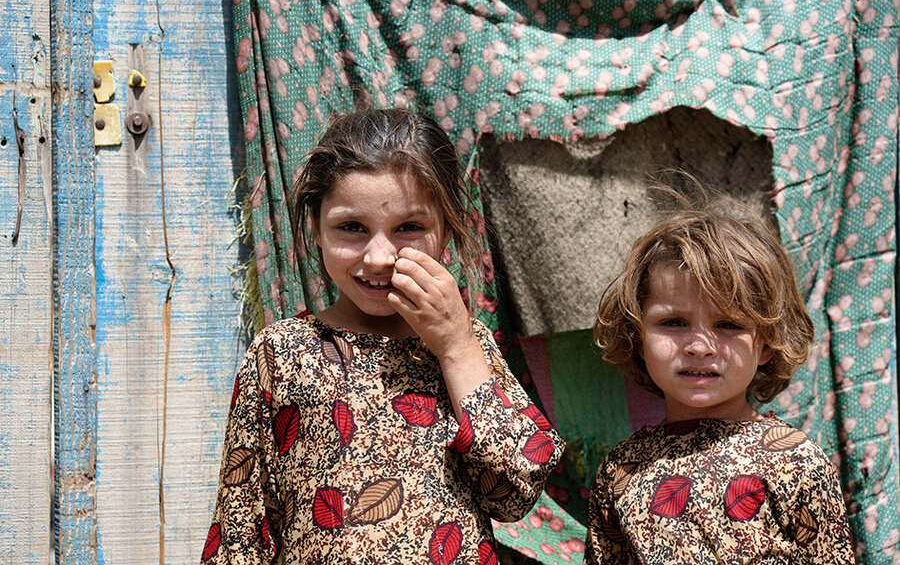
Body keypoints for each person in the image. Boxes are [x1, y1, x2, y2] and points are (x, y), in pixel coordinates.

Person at [201, 107, 564, 564]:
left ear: (447, 230)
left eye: (408, 227)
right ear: (315, 227)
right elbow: (239, 533)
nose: (378, 256)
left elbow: (515, 490)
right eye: (351, 227)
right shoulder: (280, 354)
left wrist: (454, 347)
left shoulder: (467, 346)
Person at [585, 187, 855, 564]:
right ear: (637, 336)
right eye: (673, 322)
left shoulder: (794, 463)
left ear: (766, 343)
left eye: (728, 324)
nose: (699, 346)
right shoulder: (623, 468)